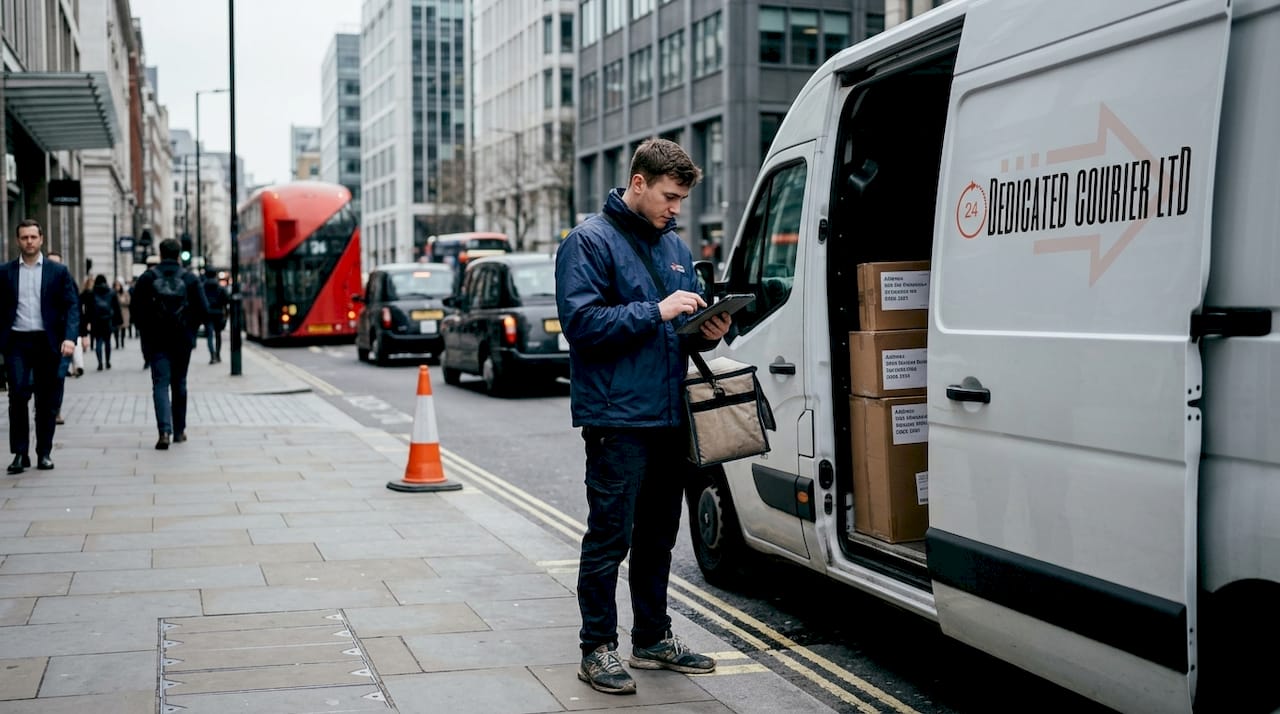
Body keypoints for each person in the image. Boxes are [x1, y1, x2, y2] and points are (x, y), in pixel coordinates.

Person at [554, 138, 732, 695]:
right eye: (669, 196)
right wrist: (656, 310)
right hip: (616, 418)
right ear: (638, 183)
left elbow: (678, 325)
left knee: (659, 535)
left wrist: (711, 328)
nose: (676, 207)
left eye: (681, 198)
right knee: (610, 537)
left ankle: (652, 638)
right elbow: (581, 325)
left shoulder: (673, 246)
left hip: (667, 413)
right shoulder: (587, 243)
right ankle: (597, 649)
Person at [0, 219, 80, 473]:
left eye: (33, 237)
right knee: (17, 396)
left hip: (47, 342)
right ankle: (19, 453)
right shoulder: (6, 272)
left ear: (41, 239)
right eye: (24, 237)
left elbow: (72, 306)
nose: (29, 242)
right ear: (18, 241)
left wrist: (70, 337)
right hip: (17, 341)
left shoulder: (58, 272)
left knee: (45, 400)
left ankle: (44, 452)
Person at [132, 238, 210, 450]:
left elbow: (135, 311)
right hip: (182, 340)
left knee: (160, 384)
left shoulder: (147, 278)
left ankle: (163, 431)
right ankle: (179, 431)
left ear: (160, 253)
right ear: (178, 254)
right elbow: (204, 309)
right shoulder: (190, 278)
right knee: (180, 383)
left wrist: (146, 331)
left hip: (156, 340)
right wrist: (191, 330)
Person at [86, 274, 121, 370]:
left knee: (98, 341)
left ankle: (100, 363)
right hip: (107, 320)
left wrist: (87, 321)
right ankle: (108, 362)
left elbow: (88, 309)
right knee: (108, 342)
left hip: (96, 321)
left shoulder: (92, 293)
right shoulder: (111, 292)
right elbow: (116, 308)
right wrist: (118, 321)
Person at [201, 268, 229, 364]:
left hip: (208, 313)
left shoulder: (203, 287)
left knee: (209, 335)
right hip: (218, 313)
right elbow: (226, 300)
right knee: (218, 335)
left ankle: (212, 355)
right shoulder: (220, 287)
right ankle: (218, 354)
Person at [114, 279, 130, 347]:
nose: (117, 287)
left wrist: (122, 301)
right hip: (116, 313)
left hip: (124, 313)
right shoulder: (113, 293)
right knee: (116, 329)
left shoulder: (125, 293)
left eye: (118, 285)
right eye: (116, 286)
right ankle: (117, 343)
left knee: (123, 328)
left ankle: (122, 342)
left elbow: (128, 302)